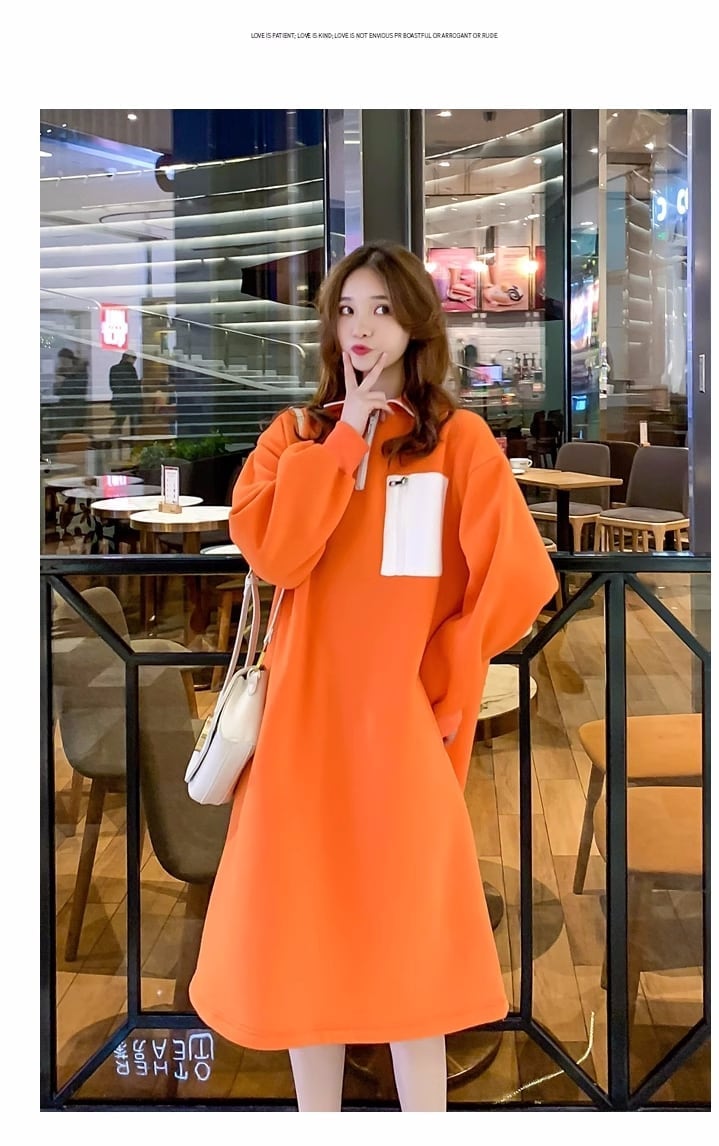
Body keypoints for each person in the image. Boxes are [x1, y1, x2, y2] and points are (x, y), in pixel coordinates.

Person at [188, 241, 558, 1112]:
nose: (361, 327)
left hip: (399, 728)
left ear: (416, 322)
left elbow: (518, 579)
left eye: (382, 309)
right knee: (305, 941)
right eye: (347, 310)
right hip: (301, 728)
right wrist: (345, 435)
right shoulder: (295, 436)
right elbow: (277, 556)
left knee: (409, 947)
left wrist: (444, 674)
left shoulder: (456, 442)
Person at [108, 352, 142, 436]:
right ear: (128, 358)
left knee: (119, 422)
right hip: (131, 401)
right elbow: (133, 385)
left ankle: (113, 439)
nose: (134, 361)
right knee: (134, 424)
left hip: (119, 400)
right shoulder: (131, 369)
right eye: (133, 359)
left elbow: (113, 385)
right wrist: (140, 383)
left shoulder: (114, 368)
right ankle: (133, 441)